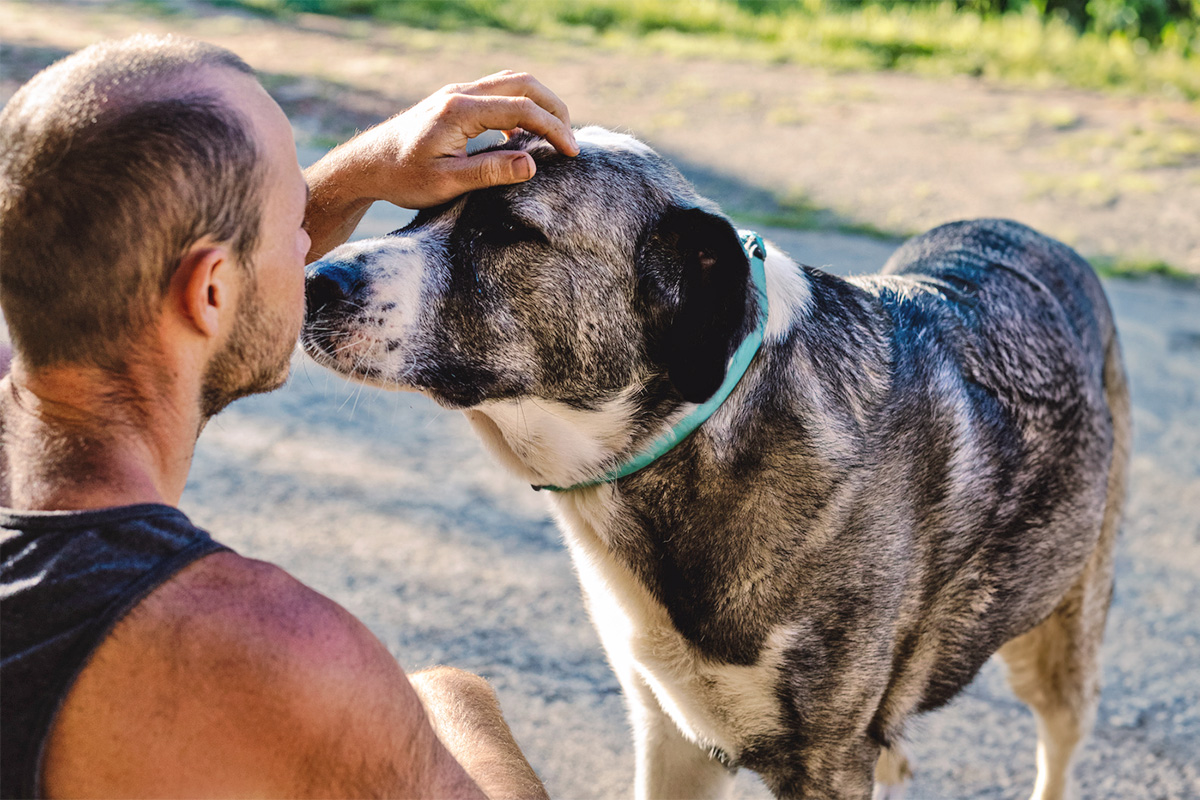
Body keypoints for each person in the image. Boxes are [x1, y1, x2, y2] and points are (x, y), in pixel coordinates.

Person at [0, 33, 579, 799]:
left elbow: (122, 256)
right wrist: (450, 705)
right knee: (446, 696)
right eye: (292, 228)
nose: (314, 247)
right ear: (209, 292)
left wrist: (359, 174)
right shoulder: (261, 652)